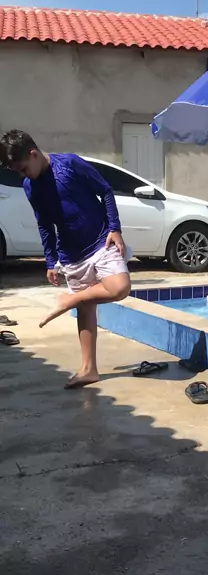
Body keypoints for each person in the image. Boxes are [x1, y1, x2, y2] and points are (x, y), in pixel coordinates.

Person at [0, 130, 131, 389]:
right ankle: (88, 369)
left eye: (24, 169)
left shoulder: (70, 164)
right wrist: (50, 261)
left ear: (33, 154)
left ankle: (69, 300)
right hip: (71, 254)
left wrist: (115, 228)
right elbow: (44, 224)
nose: (24, 175)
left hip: (101, 240)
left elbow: (105, 191)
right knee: (86, 309)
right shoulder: (30, 186)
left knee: (120, 287)